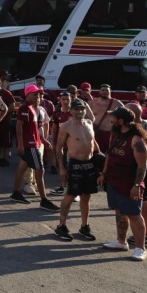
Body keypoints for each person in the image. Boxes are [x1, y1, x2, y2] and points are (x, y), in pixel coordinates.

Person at [99, 105, 147, 261]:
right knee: (119, 212)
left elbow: (143, 165)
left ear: (121, 121)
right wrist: (103, 173)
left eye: (113, 117)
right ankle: (121, 242)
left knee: (135, 215)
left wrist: (136, 186)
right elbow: (109, 154)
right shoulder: (115, 134)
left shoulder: (136, 139)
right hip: (114, 180)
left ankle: (141, 248)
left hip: (129, 184)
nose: (111, 119)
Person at [53, 98, 99, 242]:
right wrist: (61, 167)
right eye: (77, 109)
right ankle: (61, 226)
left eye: (82, 109)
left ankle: (84, 226)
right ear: (71, 111)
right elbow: (59, 148)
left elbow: (93, 142)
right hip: (74, 164)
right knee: (71, 195)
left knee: (86, 196)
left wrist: (101, 157)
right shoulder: (66, 126)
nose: (80, 111)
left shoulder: (89, 123)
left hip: (89, 164)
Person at [10, 84, 60, 212]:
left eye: (39, 94)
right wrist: (20, 143)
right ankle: (44, 200)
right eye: (35, 94)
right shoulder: (25, 108)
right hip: (30, 144)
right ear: (28, 95)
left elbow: (35, 129)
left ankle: (16, 193)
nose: (38, 97)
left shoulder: (34, 108)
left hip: (35, 142)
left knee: (22, 168)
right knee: (40, 170)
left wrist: (43, 140)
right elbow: (19, 126)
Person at [89, 83, 123, 155]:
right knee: (96, 153)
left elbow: (125, 116)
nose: (105, 92)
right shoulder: (92, 103)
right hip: (96, 133)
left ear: (110, 92)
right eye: (103, 90)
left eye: (107, 90)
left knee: (110, 154)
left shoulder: (117, 103)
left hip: (111, 134)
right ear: (99, 91)